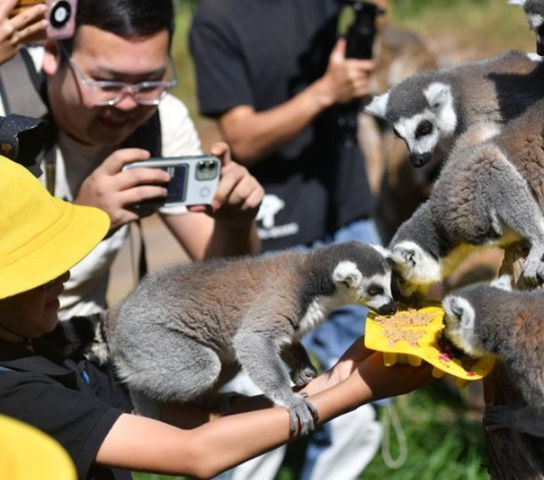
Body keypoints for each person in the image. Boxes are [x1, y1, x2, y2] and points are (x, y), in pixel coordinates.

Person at [0, 156, 431, 480]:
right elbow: (195, 453)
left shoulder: (43, 346)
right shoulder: (18, 392)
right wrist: (352, 391)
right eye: (43, 270)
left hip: (158, 338)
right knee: (218, 359)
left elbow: (183, 422)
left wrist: (332, 385)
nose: (68, 275)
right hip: (163, 333)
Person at [190, 1, 385, 478]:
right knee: (265, 416)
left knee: (366, 391)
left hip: (348, 217)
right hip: (273, 236)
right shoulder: (217, 18)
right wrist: (326, 91)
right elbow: (241, 137)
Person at [0, 0, 264, 319]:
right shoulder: (5, 104)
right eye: (107, 82)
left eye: (150, 82)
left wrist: (236, 223)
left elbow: (228, 278)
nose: (127, 103)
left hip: (80, 342)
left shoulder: (161, 120)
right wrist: (83, 222)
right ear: (54, 54)